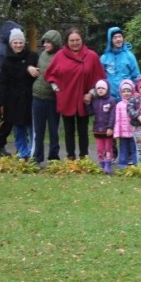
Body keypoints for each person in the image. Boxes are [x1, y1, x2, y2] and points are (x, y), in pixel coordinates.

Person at [44, 27, 105, 160]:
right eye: (72, 40)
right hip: (67, 98)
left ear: (82, 40)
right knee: (69, 130)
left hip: (84, 99)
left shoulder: (92, 56)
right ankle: (70, 156)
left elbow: (100, 78)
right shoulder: (60, 55)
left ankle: (84, 156)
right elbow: (49, 74)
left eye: (77, 40)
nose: (75, 43)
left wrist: (92, 93)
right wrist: (56, 89)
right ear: (67, 41)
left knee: (83, 130)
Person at [0, 28, 39, 160]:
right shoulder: (6, 61)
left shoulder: (33, 56)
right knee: (18, 126)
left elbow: (40, 74)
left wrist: (31, 69)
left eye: (20, 42)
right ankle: (22, 152)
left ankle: (33, 153)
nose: (18, 45)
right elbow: (3, 83)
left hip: (30, 96)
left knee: (32, 126)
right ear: (11, 44)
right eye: (15, 43)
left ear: (24, 42)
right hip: (13, 99)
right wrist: (0, 102)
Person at [31, 30, 63, 165]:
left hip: (52, 99)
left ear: (55, 43)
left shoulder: (61, 56)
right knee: (38, 130)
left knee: (53, 129)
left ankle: (54, 156)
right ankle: (37, 156)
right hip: (38, 97)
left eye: (48, 42)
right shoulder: (42, 55)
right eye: (44, 42)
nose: (45, 44)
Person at [0, 21, 23, 158]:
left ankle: (5, 146)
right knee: (6, 120)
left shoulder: (8, 49)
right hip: (5, 90)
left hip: (14, 90)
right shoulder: (1, 51)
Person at [100, 26, 141, 102]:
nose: (118, 39)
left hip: (127, 97)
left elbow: (136, 76)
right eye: (115, 37)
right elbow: (100, 77)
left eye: (120, 37)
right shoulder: (104, 58)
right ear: (110, 40)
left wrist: (136, 93)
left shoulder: (129, 56)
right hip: (109, 98)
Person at [86, 79, 117, 174]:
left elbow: (113, 115)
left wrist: (110, 127)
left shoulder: (111, 100)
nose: (100, 90)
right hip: (97, 129)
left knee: (108, 148)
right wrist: (87, 104)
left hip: (107, 130)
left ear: (107, 89)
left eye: (103, 88)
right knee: (100, 148)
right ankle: (101, 163)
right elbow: (91, 112)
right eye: (98, 88)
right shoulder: (95, 101)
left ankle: (108, 164)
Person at [113, 79, 138, 169]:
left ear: (132, 91)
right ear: (121, 92)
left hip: (133, 131)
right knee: (123, 148)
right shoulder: (119, 105)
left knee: (134, 148)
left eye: (128, 91)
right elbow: (117, 120)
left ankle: (135, 163)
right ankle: (122, 163)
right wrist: (116, 133)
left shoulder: (135, 103)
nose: (126, 93)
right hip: (123, 133)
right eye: (124, 91)